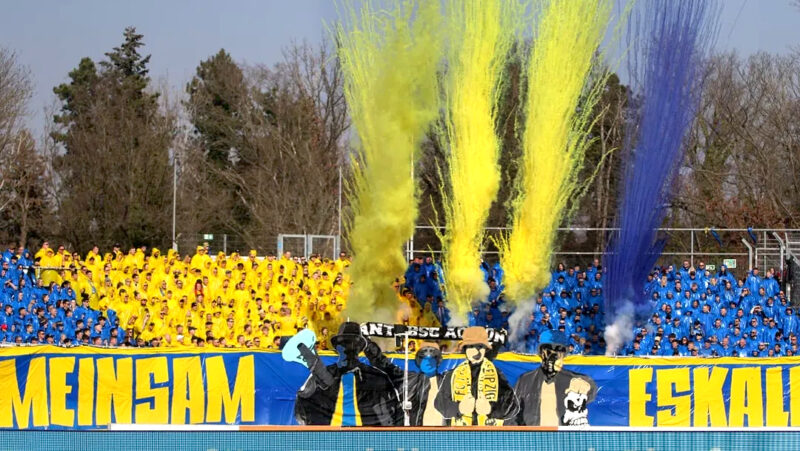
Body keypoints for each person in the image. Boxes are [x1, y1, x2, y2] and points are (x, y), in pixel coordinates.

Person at [293, 322, 403, 426]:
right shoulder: (378, 377)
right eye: (345, 344)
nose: (348, 348)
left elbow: (392, 415)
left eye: (352, 344)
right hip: (336, 440)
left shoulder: (377, 378)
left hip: (361, 441)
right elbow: (301, 407)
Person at [511, 330, 597, 426]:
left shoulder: (572, 380)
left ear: (563, 355)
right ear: (541, 353)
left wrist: (585, 386)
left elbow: (591, 389)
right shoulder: (525, 380)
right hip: (533, 437)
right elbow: (513, 414)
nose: (553, 356)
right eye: (548, 351)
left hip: (562, 438)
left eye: (558, 352)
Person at [434, 327, 518, 426]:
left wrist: (491, 408)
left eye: (480, 346)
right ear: (465, 350)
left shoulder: (497, 374)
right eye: (471, 347)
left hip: (489, 437)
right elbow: (439, 404)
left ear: (485, 349)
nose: (476, 351)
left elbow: (513, 406)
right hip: (460, 437)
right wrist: (459, 408)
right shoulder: (452, 375)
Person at [365, 340, 445, 426]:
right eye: (424, 357)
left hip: (444, 435)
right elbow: (383, 364)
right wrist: (365, 342)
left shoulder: (449, 380)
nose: (428, 362)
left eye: (432, 357)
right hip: (416, 434)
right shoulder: (409, 379)